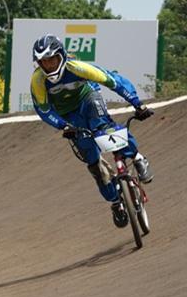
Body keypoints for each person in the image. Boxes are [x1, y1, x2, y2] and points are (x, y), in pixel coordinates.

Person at [30, 34, 154, 228]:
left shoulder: (77, 67)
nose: (49, 65)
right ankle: (115, 202)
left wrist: (137, 104)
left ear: (61, 56)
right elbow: (44, 111)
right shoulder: (38, 81)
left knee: (104, 129)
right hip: (68, 115)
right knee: (93, 161)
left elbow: (114, 81)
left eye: (52, 59)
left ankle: (137, 157)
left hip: (89, 99)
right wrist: (63, 126)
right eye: (44, 62)